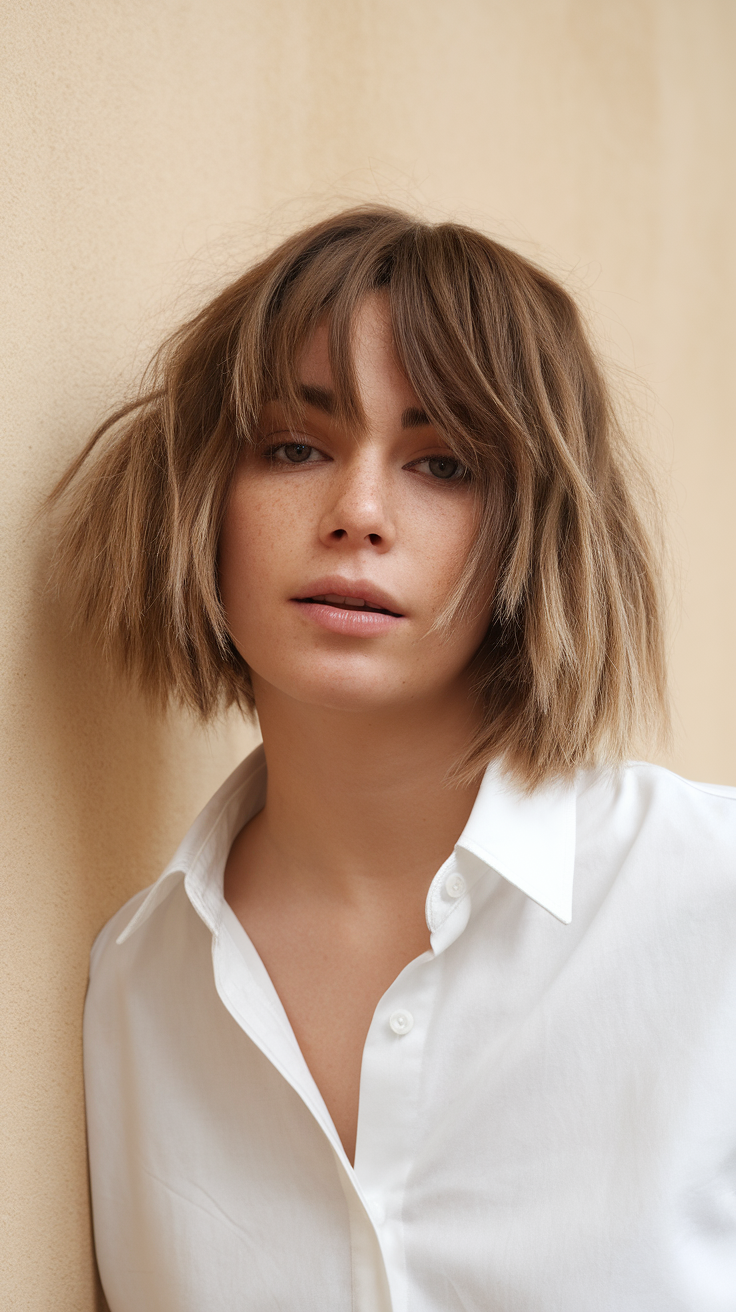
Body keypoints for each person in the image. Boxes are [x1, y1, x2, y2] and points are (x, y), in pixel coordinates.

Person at [52, 207, 736, 1311]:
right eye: (293, 446)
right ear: (205, 499)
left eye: (443, 463)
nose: (358, 512)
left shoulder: (713, 899)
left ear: (534, 526)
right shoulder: (134, 989)